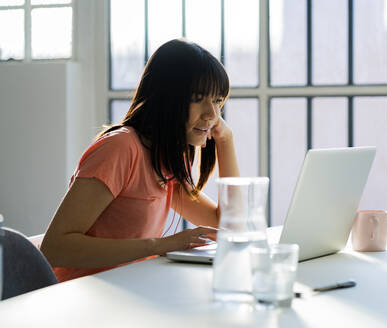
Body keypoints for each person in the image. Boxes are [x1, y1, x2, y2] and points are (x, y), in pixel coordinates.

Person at [40, 39, 239, 282]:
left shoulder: (166, 158)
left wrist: (226, 141)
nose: (212, 115)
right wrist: (160, 245)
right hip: (83, 296)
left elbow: (228, 225)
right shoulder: (121, 148)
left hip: (132, 289)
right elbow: (55, 248)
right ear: (165, 97)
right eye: (197, 98)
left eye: (218, 101)